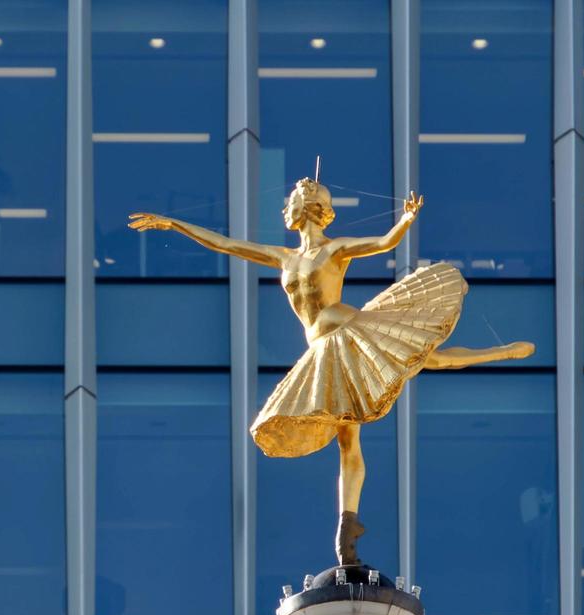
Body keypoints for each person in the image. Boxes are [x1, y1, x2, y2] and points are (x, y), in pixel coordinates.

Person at [130, 174, 534, 565]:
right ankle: (347, 524)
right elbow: (226, 245)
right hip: (323, 350)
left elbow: (381, 243)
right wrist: (174, 223)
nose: (285, 206)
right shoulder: (283, 256)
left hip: (347, 328)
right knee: (348, 440)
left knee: (429, 358)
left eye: (292, 200)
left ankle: (503, 351)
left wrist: (406, 220)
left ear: (307, 208)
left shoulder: (333, 250)